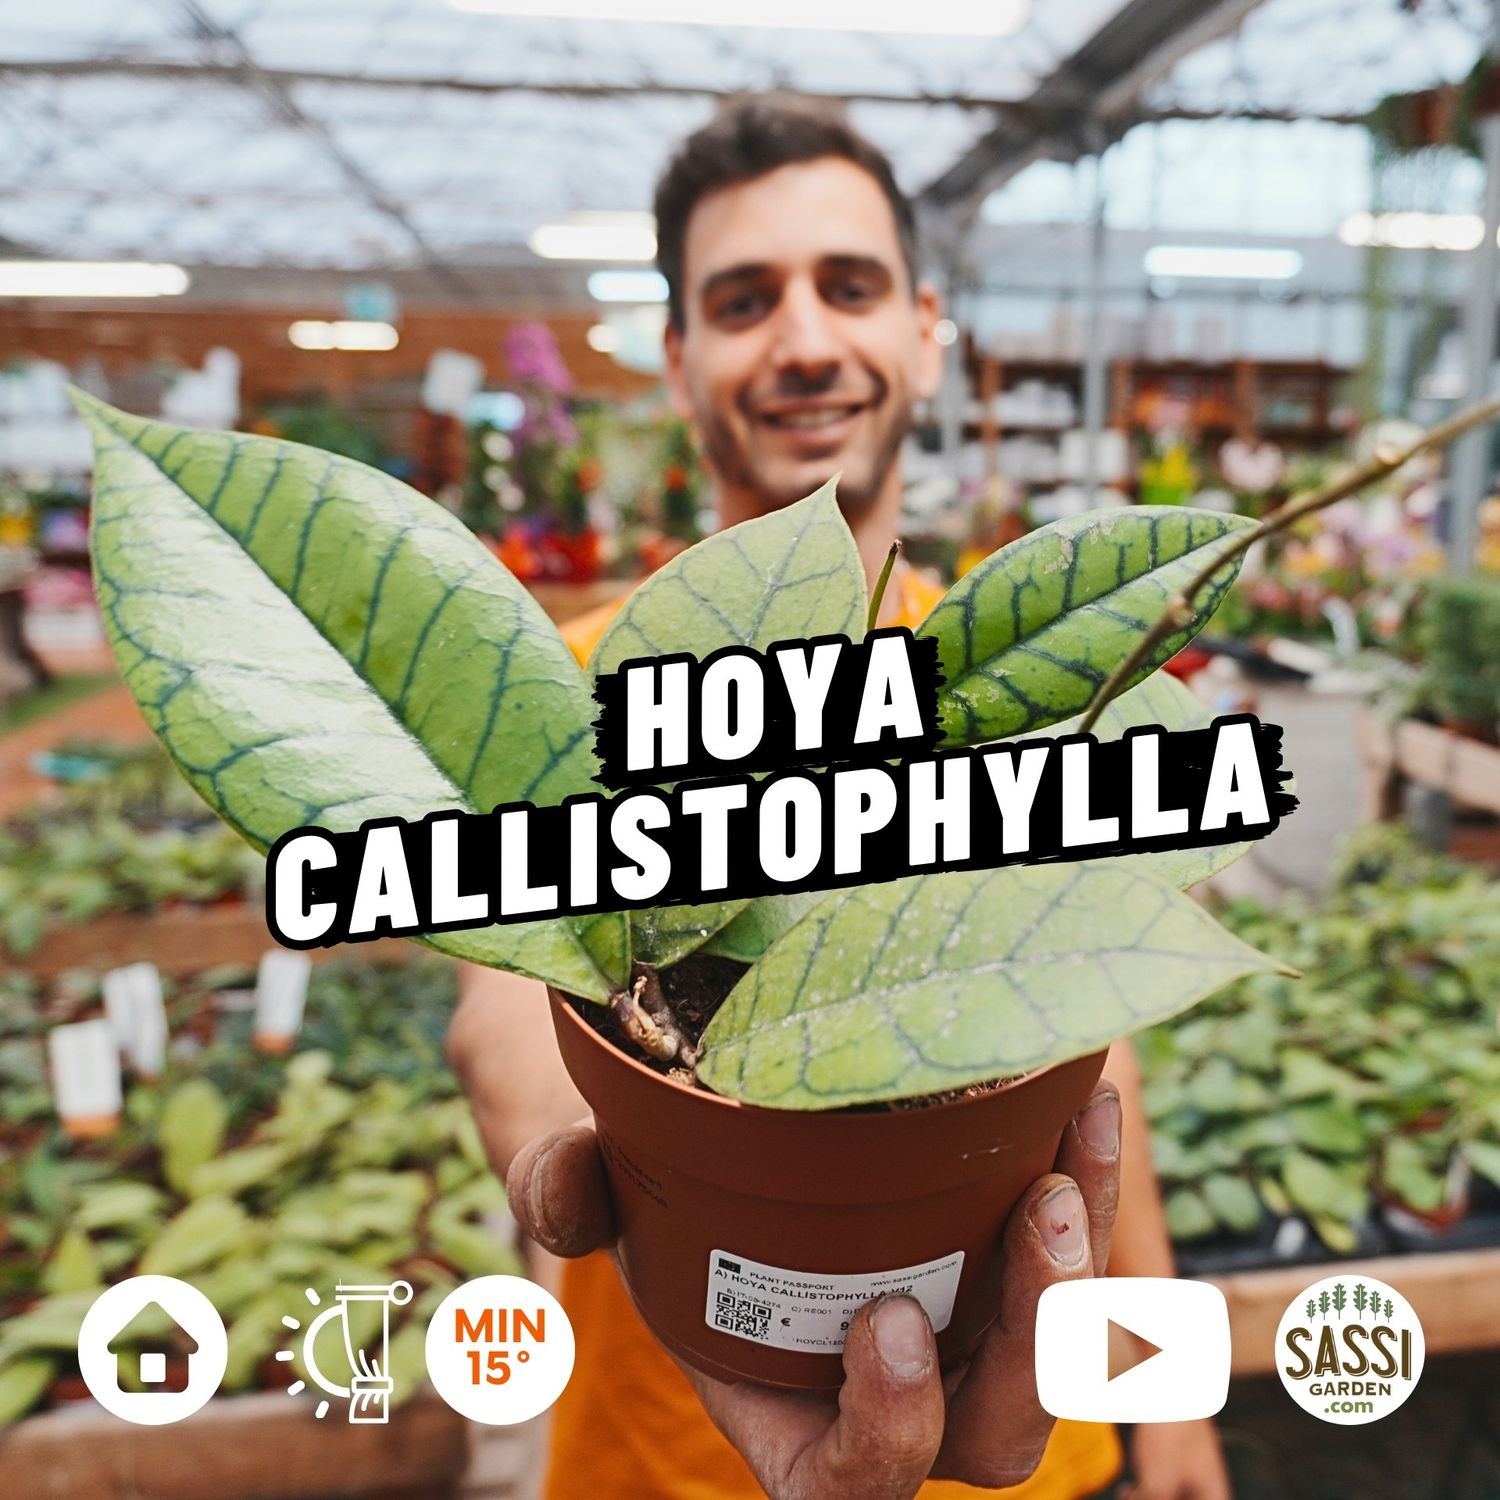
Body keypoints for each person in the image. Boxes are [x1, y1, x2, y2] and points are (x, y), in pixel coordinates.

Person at [449, 94, 1232, 1500]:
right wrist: (638, 1157)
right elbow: (512, 1015)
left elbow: (1092, 1053)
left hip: (1040, 1453)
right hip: (671, 1458)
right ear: (678, 357)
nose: (806, 340)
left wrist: (1167, 1408)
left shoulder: (1031, 700)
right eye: (746, 300)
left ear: (927, 331)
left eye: (851, 287)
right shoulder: (573, 696)